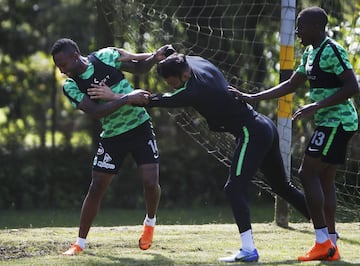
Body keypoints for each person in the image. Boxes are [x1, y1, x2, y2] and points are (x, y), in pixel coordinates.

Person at [88, 49, 311, 262]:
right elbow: (176, 56)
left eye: (173, 83)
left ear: (184, 75)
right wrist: (163, 55)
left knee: (234, 188)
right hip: (264, 126)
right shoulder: (195, 62)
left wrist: (114, 95)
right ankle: (326, 235)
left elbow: (150, 100)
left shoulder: (192, 90)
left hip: (251, 132)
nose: (172, 87)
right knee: (282, 186)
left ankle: (248, 249)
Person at [230, 7, 359, 262]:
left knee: (306, 172)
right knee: (324, 180)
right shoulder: (310, 53)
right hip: (328, 122)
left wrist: (316, 106)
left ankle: (322, 241)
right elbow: (291, 84)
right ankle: (331, 245)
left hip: (338, 122)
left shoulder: (331, 50)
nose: (297, 32)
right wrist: (253, 96)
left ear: (315, 27)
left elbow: (352, 86)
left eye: (301, 26)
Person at [50, 38, 171, 255]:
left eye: (64, 65)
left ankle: (150, 223)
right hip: (112, 136)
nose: (61, 71)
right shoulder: (71, 86)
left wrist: (155, 58)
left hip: (139, 126)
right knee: (96, 188)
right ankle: (79, 243)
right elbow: (96, 112)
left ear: (75, 56)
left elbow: (138, 67)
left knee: (150, 183)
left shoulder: (105, 57)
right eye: (58, 67)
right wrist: (126, 98)